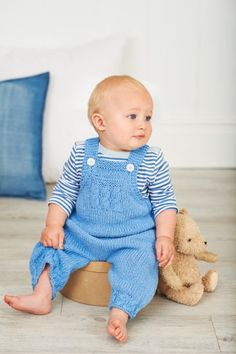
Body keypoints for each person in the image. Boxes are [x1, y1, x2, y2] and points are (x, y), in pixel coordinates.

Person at [4, 75, 177, 343]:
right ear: (100, 122)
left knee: (140, 266)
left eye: (148, 117)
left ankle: (120, 313)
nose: (143, 125)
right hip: (82, 232)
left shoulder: (151, 160)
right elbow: (65, 191)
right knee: (50, 249)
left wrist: (164, 237)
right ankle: (41, 294)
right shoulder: (82, 153)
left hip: (131, 239)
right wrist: (53, 225)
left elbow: (164, 202)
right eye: (132, 116)